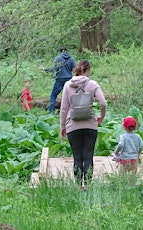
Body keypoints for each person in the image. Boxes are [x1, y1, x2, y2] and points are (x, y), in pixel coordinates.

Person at [60, 60, 107, 191]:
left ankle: (77, 187)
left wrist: (63, 127)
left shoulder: (67, 85)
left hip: (72, 126)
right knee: (88, 156)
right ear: (87, 70)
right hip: (90, 125)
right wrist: (101, 117)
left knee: (77, 157)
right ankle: (87, 185)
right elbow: (103, 103)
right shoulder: (92, 84)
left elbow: (64, 108)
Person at [45, 46, 76, 114]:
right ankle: (71, 111)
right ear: (66, 51)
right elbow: (74, 70)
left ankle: (51, 112)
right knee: (70, 95)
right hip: (69, 79)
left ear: (60, 51)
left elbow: (55, 69)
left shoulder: (58, 58)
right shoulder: (71, 58)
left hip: (59, 80)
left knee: (53, 95)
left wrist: (46, 69)